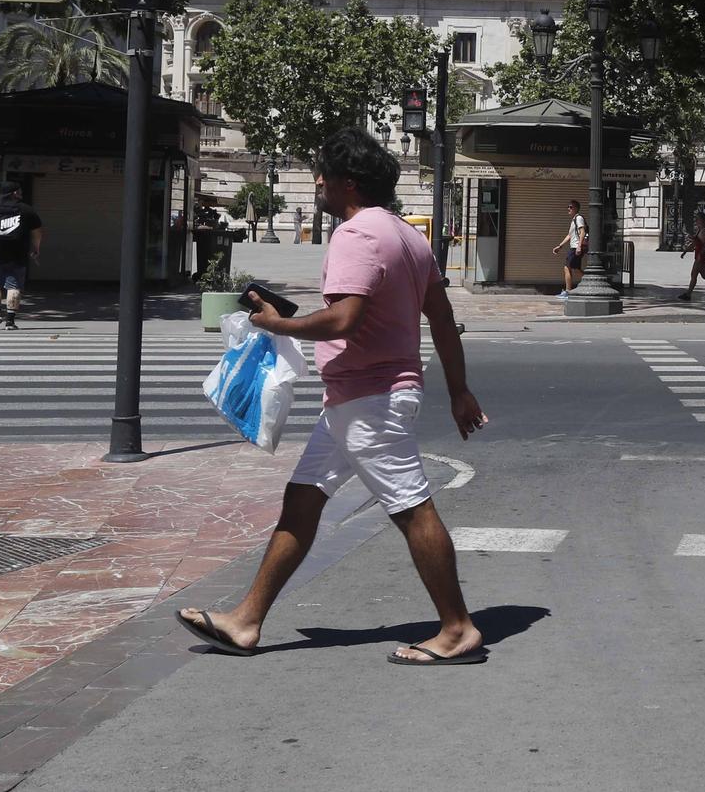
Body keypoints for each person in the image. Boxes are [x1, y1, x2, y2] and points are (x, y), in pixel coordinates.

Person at [176, 127, 489, 665]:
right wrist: (458, 390)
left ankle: (457, 628)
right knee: (302, 498)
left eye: (322, 173)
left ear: (346, 182)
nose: (316, 180)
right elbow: (442, 320)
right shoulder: (409, 236)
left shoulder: (355, 234)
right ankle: (247, 621)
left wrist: (282, 323)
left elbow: (345, 317)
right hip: (360, 397)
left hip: (371, 399)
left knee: (412, 507)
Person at [0, 182, 42, 331]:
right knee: (14, 287)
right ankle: (10, 322)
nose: (21, 194)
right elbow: (37, 232)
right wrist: (36, 248)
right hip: (17, 255)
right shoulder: (26, 210)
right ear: (14, 193)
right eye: (19, 192)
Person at [552, 199, 588, 298]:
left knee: (567, 267)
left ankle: (568, 291)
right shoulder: (573, 220)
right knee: (576, 269)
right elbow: (569, 235)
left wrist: (579, 246)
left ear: (576, 208)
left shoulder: (579, 218)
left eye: (571, 207)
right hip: (574, 247)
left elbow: (583, 232)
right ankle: (591, 282)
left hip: (576, 247)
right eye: (568, 207)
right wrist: (560, 246)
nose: (568, 209)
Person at [680, 210, 705, 300]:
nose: (696, 221)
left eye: (697, 219)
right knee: (704, 275)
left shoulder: (704, 231)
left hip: (701, 255)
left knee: (694, 274)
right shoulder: (700, 230)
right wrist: (685, 251)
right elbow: (695, 243)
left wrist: (700, 255)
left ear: (702, 220)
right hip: (699, 254)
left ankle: (688, 294)